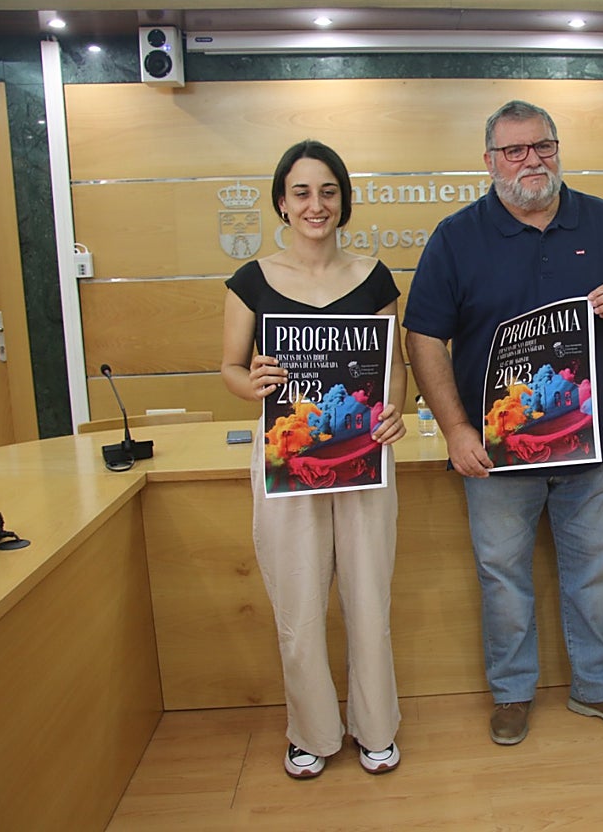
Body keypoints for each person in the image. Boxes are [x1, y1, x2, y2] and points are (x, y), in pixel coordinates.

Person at [404, 100, 603, 745]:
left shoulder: (602, 220)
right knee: (502, 574)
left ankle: (598, 686)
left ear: (557, 148)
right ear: (489, 161)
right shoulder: (456, 235)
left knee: (596, 569)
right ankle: (513, 692)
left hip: (588, 441)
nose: (530, 161)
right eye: (514, 151)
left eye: (540, 146)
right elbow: (423, 339)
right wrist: (457, 430)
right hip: (495, 451)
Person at [221, 140, 408, 778]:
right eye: (301, 192)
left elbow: (395, 367)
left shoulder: (375, 276)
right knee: (298, 603)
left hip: (365, 455)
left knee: (367, 597)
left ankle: (376, 726)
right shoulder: (250, 281)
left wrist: (394, 409)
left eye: (327, 191)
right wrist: (251, 385)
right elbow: (228, 367)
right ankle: (310, 730)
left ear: (343, 200)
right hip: (285, 458)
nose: (315, 204)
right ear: (281, 201)